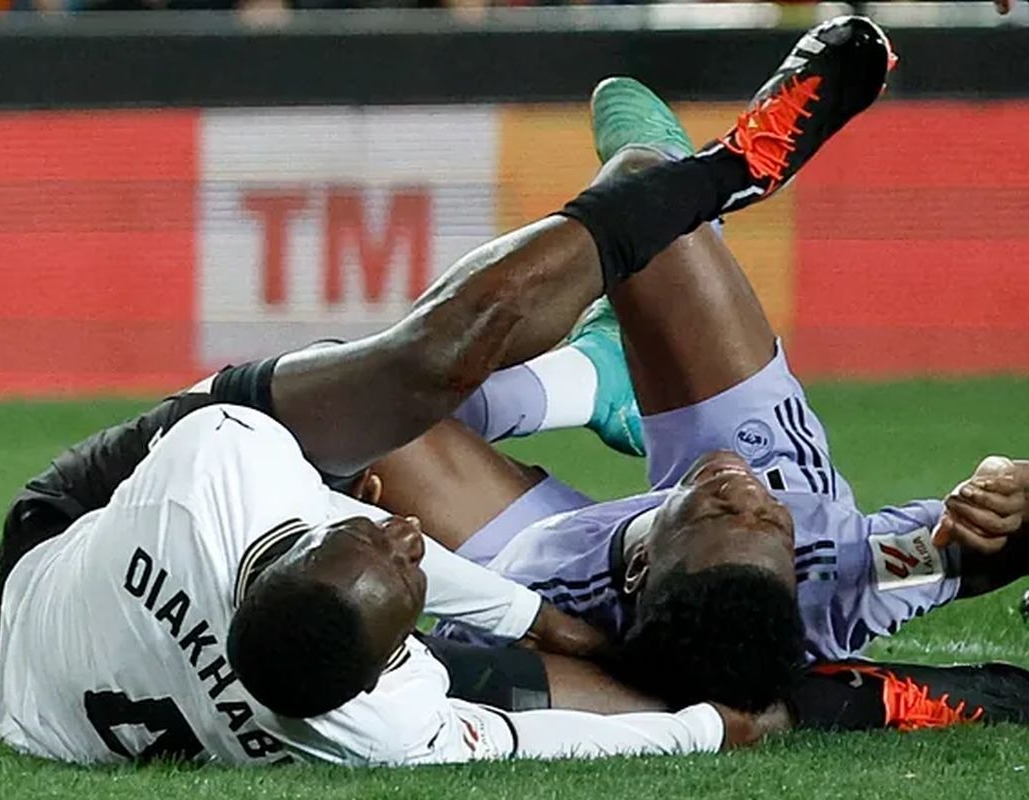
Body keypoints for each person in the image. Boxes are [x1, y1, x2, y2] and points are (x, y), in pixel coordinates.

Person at [0, 16, 892, 766]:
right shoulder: (386, 724)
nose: (409, 534)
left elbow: (356, 543)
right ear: (394, 665)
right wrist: (704, 714)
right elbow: (538, 734)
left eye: (378, 537)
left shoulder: (228, 458)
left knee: (425, 366)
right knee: (564, 679)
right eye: (408, 574)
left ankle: (725, 174)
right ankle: (588, 376)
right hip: (67, 664)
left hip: (74, 525)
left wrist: (551, 627)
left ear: (306, 523)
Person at [371, 73, 1029, 731]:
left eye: (720, 510)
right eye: (769, 521)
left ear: (638, 562)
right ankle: (603, 378)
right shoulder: (837, 568)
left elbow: (388, 674)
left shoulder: (520, 614)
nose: (745, 493)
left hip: (523, 556)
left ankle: (588, 377)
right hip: (747, 454)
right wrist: (1011, 496)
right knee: (644, 186)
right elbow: (975, 552)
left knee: (358, 417)